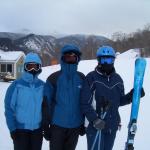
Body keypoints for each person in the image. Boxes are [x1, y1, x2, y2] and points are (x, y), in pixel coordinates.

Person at [80, 46, 145, 150]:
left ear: (113, 60)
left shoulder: (118, 79)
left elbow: (119, 101)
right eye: (103, 59)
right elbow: (84, 102)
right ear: (99, 60)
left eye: (109, 59)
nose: (106, 63)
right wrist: (95, 119)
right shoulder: (91, 78)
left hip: (112, 125)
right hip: (95, 125)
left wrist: (132, 95)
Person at [42, 44, 85, 150]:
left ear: (77, 59)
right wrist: (45, 126)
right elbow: (46, 104)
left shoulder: (82, 78)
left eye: (73, 57)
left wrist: (85, 123)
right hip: (57, 126)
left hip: (75, 126)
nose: (70, 59)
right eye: (68, 57)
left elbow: (86, 102)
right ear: (63, 58)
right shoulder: (53, 78)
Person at [4, 52, 44, 150]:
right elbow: (9, 108)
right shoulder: (16, 85)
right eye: (30, 67)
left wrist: (45, 125)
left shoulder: (43, 86)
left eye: (35, 67)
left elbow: (47, 107)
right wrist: (12, 128)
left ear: (39, 67)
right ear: (25, 67)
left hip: (37, 131)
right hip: (20, 130)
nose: (33, 69)